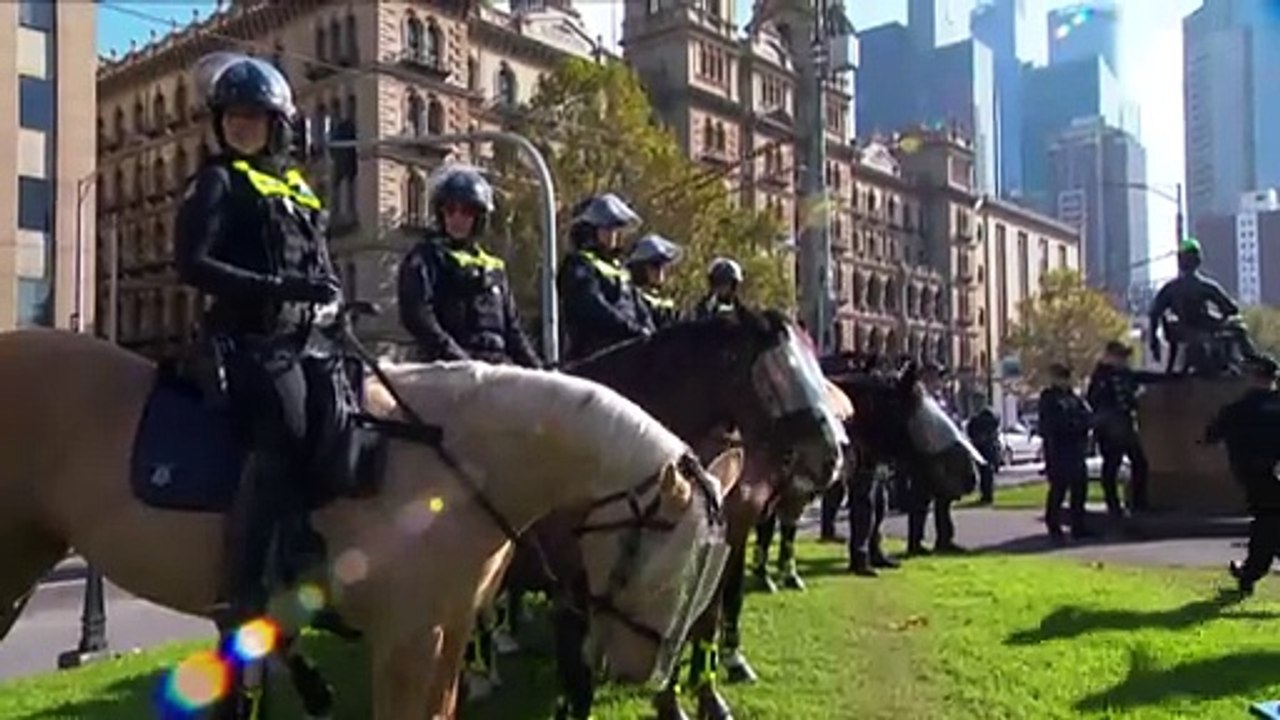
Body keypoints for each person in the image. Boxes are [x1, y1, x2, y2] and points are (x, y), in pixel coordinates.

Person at [174, 54, 347, 630]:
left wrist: (334, 298)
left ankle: (309, 542)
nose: (242, 127)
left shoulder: (298, 188)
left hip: (307, 336)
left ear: (279, 125)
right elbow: (193, 264)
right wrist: (278, 287)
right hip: (244, 337)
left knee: (347, 415)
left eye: (255, 117)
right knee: (288, 421)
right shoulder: (218, 181)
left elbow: (320, 264)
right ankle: (242, 583)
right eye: (234, 118)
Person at [396, 165, 541, 368]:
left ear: (479, 218)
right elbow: (418, 316)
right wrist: (457, 358)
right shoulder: (426, 258)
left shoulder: (494, 267)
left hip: (496, 369)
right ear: (441, 214)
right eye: (450, 210)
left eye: (467, 211)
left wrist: (539, 371)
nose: (457, 218)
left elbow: (513, 331)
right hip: (445, 370)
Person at [1203, 354, 1280, 595]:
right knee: (1269, 522)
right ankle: (1250, 571)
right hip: (1274, 471)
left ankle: (1250, 572)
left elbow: (1210, 436)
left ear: (1251, 377)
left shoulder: (1237, 409)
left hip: (1252, 473)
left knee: (1267, 522)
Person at [557, 193, 653, 361]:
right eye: (607, 229)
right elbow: (592, 307)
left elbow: (641, 310)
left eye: (616, 229)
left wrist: (650, 334)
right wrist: (631, 330)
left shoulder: (620, 268)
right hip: (596, 356)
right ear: (591, 230)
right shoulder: (579, 264)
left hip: (628, 350)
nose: (613, 236)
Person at [1148, 237, 1259, 374]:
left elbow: (1154, 314)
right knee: (1238, 328)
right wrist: (1220, 315)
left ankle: (1239, 362)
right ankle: (1252, 360)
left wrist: (1153, 342)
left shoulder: (1169, 288)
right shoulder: (1205, 286)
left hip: (1181, 331)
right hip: (1203, 329)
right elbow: (1231, 309)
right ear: (1198, 261)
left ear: (1180, 262)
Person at [1086, 340, 1161, 515]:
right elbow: (1094, 399)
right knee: (1112, 465)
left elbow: (1142, 377)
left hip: (1125, 424)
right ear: (1110, 356)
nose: (1124, 361)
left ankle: (1139, 502)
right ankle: (1114, 505)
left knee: (1139, 463)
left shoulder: (1124, 374)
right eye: (1120, 357)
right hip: (1109, 428)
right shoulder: (1101, 376)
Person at [1038, 363, 1094, 542]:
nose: (1065, 382)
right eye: (1062, 378)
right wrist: (1076, 424)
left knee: (1079, 489)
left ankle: (1079, 526)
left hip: (1076, 448)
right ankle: (1053, 524)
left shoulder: (1074, 398)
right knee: (1059, 489)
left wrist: (1082, 424)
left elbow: (1087, 415)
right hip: (1059, 449)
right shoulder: (1049, 399)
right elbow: (1055, 424)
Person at [626, 233, 683, 330]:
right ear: (640, 268)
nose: (660, 271)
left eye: (663, 265)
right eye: (655, 265)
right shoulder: (632, 298)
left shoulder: (665, 299)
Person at [965, 406, 1001, 505]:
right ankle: (988, 495)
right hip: (988, 448)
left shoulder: (976, 422)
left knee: (984, 473)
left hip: (981, 448)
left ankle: (986, 495)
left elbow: (970, 432)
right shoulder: (992, 423)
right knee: (988, 473)